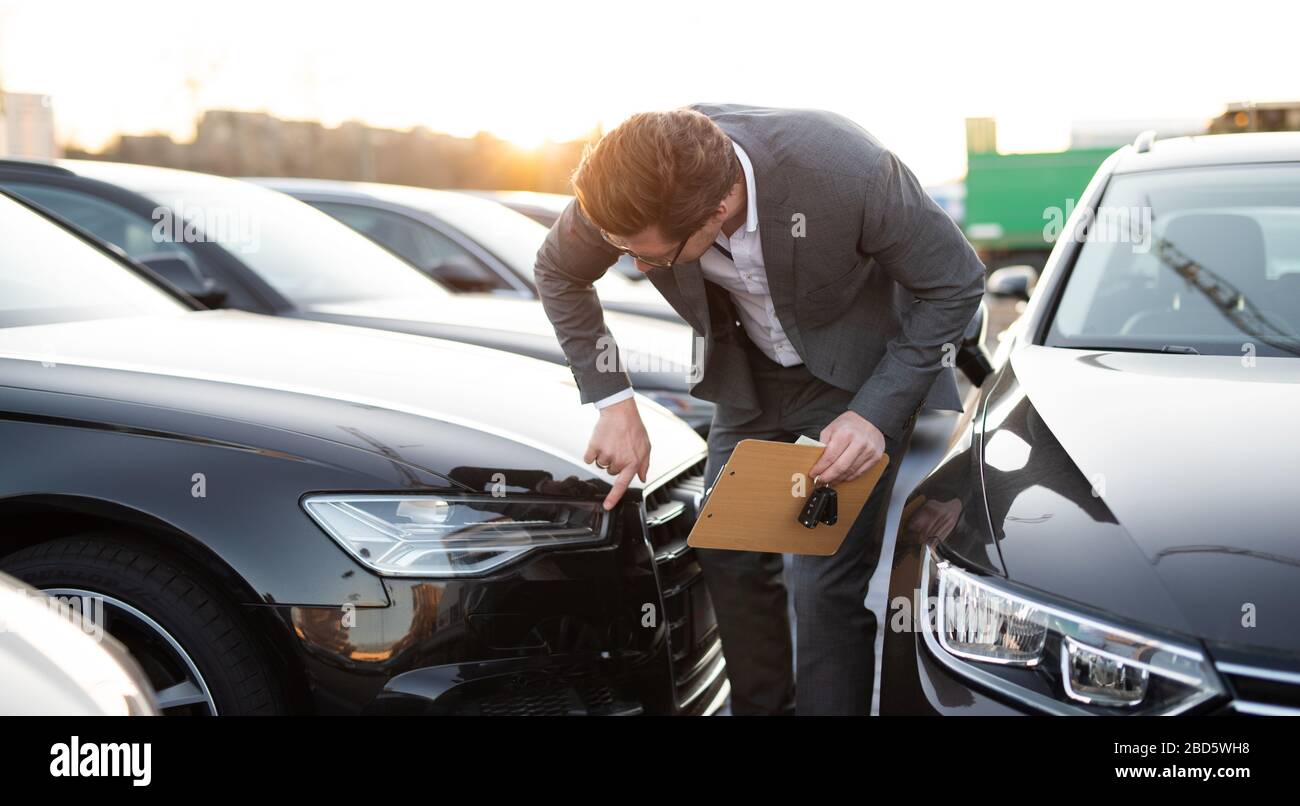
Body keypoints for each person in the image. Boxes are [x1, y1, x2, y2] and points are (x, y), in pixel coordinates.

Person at [533, 103, 985, 715]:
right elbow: (559, 270)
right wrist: (614, 400)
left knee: (822, 581)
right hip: (749, 379)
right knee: (727, 547)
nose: (636, 267)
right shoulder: (631, 189)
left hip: (858, 382)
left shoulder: (848, 171)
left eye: (652, 258)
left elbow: (955, 280)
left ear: (717, 210)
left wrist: (876, 414)